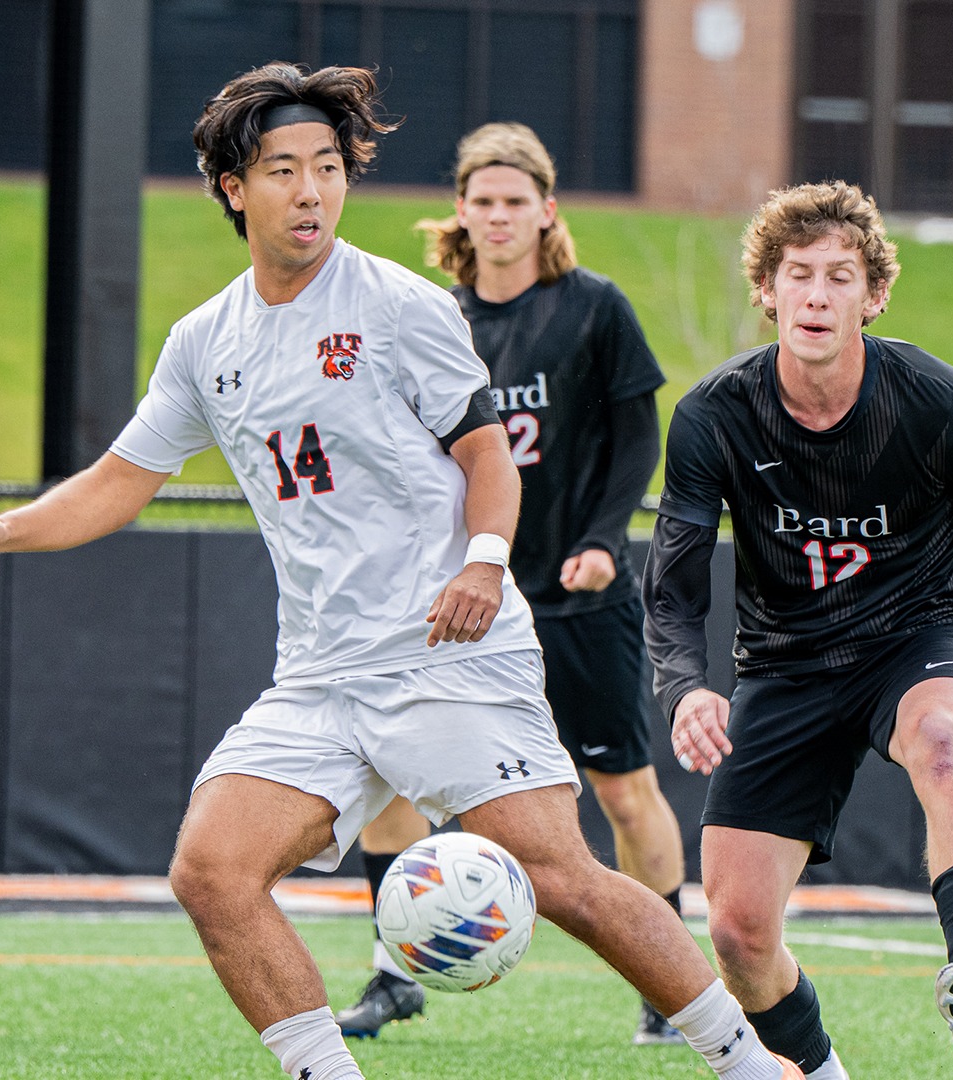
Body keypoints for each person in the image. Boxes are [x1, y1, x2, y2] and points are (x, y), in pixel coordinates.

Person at [0, 62, 801, 1080]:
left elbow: (487, 456)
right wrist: (5, 530)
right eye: (283, 169)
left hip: (448, 654)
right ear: (231, 189)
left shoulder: (400, 303)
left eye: (329, 168)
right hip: (323, 676)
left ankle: (746, 1063)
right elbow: (121, 479)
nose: (310, 191)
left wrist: (482, 563)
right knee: (211, 871)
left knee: (560, 878)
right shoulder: (205, 342)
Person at [644, 181, 953, 1080]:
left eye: (839, 276)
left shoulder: (950, 408)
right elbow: (675, 579)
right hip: (786, 661)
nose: (817, 294)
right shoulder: (712, 416)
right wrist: (687, 684)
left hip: (919, 633)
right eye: (798, 274)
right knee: (735, 932)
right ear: (767, 290)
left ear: (873, 294)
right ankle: (823, 1072)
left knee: (937, 741)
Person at [334, 122, 689, 1047]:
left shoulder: (594, 308)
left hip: (575, 589)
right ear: (460, 211)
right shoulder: (434, 316)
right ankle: (391, 969)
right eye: (482, 201)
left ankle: (667, 977)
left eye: (514, 201)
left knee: (620, 790)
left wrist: (606, 540)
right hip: (464, 597)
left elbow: (636, 438)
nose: (497, 216)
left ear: (546, 211)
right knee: (390, 780)